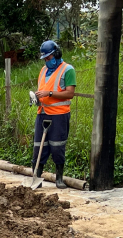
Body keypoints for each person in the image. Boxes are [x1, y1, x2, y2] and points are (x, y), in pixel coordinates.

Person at [33, 40, 76, 189]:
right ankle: (36, 178)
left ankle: (59, 178)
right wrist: (37, 97)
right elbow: (42, 89)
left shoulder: (68, 70)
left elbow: (70, 93)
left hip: (59, 115)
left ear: (57, 54)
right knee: (39, 146)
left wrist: (49, 93)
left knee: (57, 147)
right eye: (44, 59)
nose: (46, 61)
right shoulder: (43, 70)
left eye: (48, 58)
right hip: (42, 113)